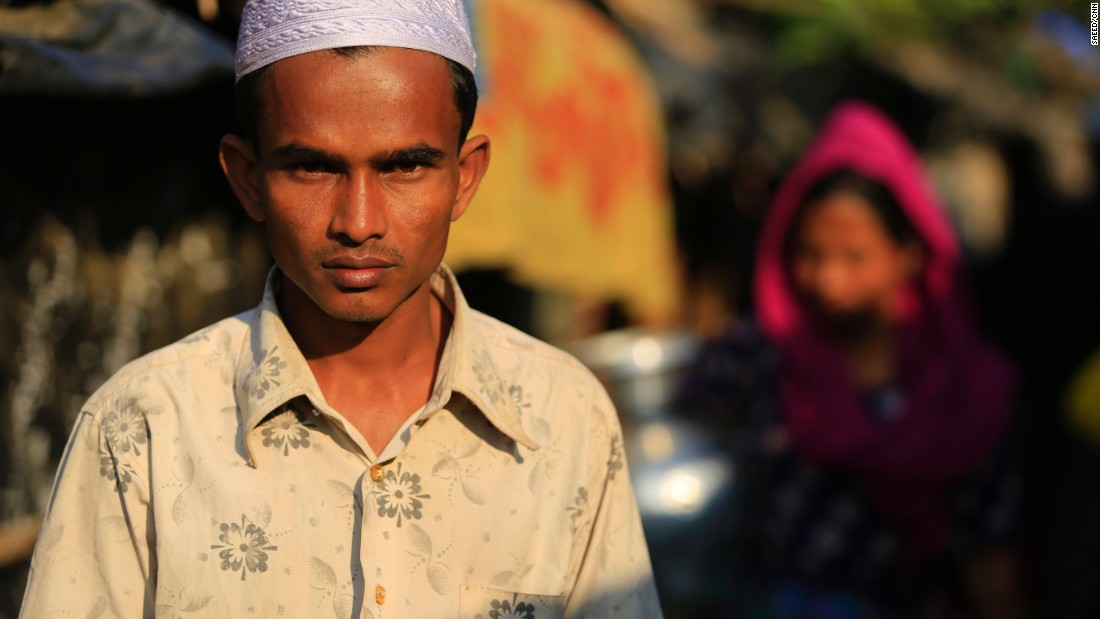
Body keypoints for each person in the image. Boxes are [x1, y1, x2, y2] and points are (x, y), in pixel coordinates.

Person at [19, 1, 661, 617]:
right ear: (247, 177)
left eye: (405, 167)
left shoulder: (564, 418)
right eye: (313, 169)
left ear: (464, 177)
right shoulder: (141, 428)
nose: (358, 222)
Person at [679, 101, 1022, 618]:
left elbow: (989, 553)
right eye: (809, 253)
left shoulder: (967, 390)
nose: (827, 280)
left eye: (854, 256)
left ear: (910, 253)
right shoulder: (758, 356)